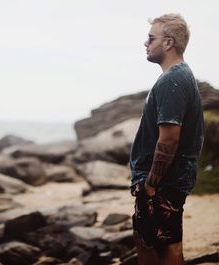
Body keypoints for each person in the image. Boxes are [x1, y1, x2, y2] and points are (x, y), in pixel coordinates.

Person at [129, 14, 204, 265]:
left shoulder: (173, 80)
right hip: (168, 181)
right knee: (159, 243)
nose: (146, 43)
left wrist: (150, 184)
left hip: (162, 183)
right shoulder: (179, 76)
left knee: (159, 247)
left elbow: (169, 139)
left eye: (151, 38)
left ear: (169, 42)